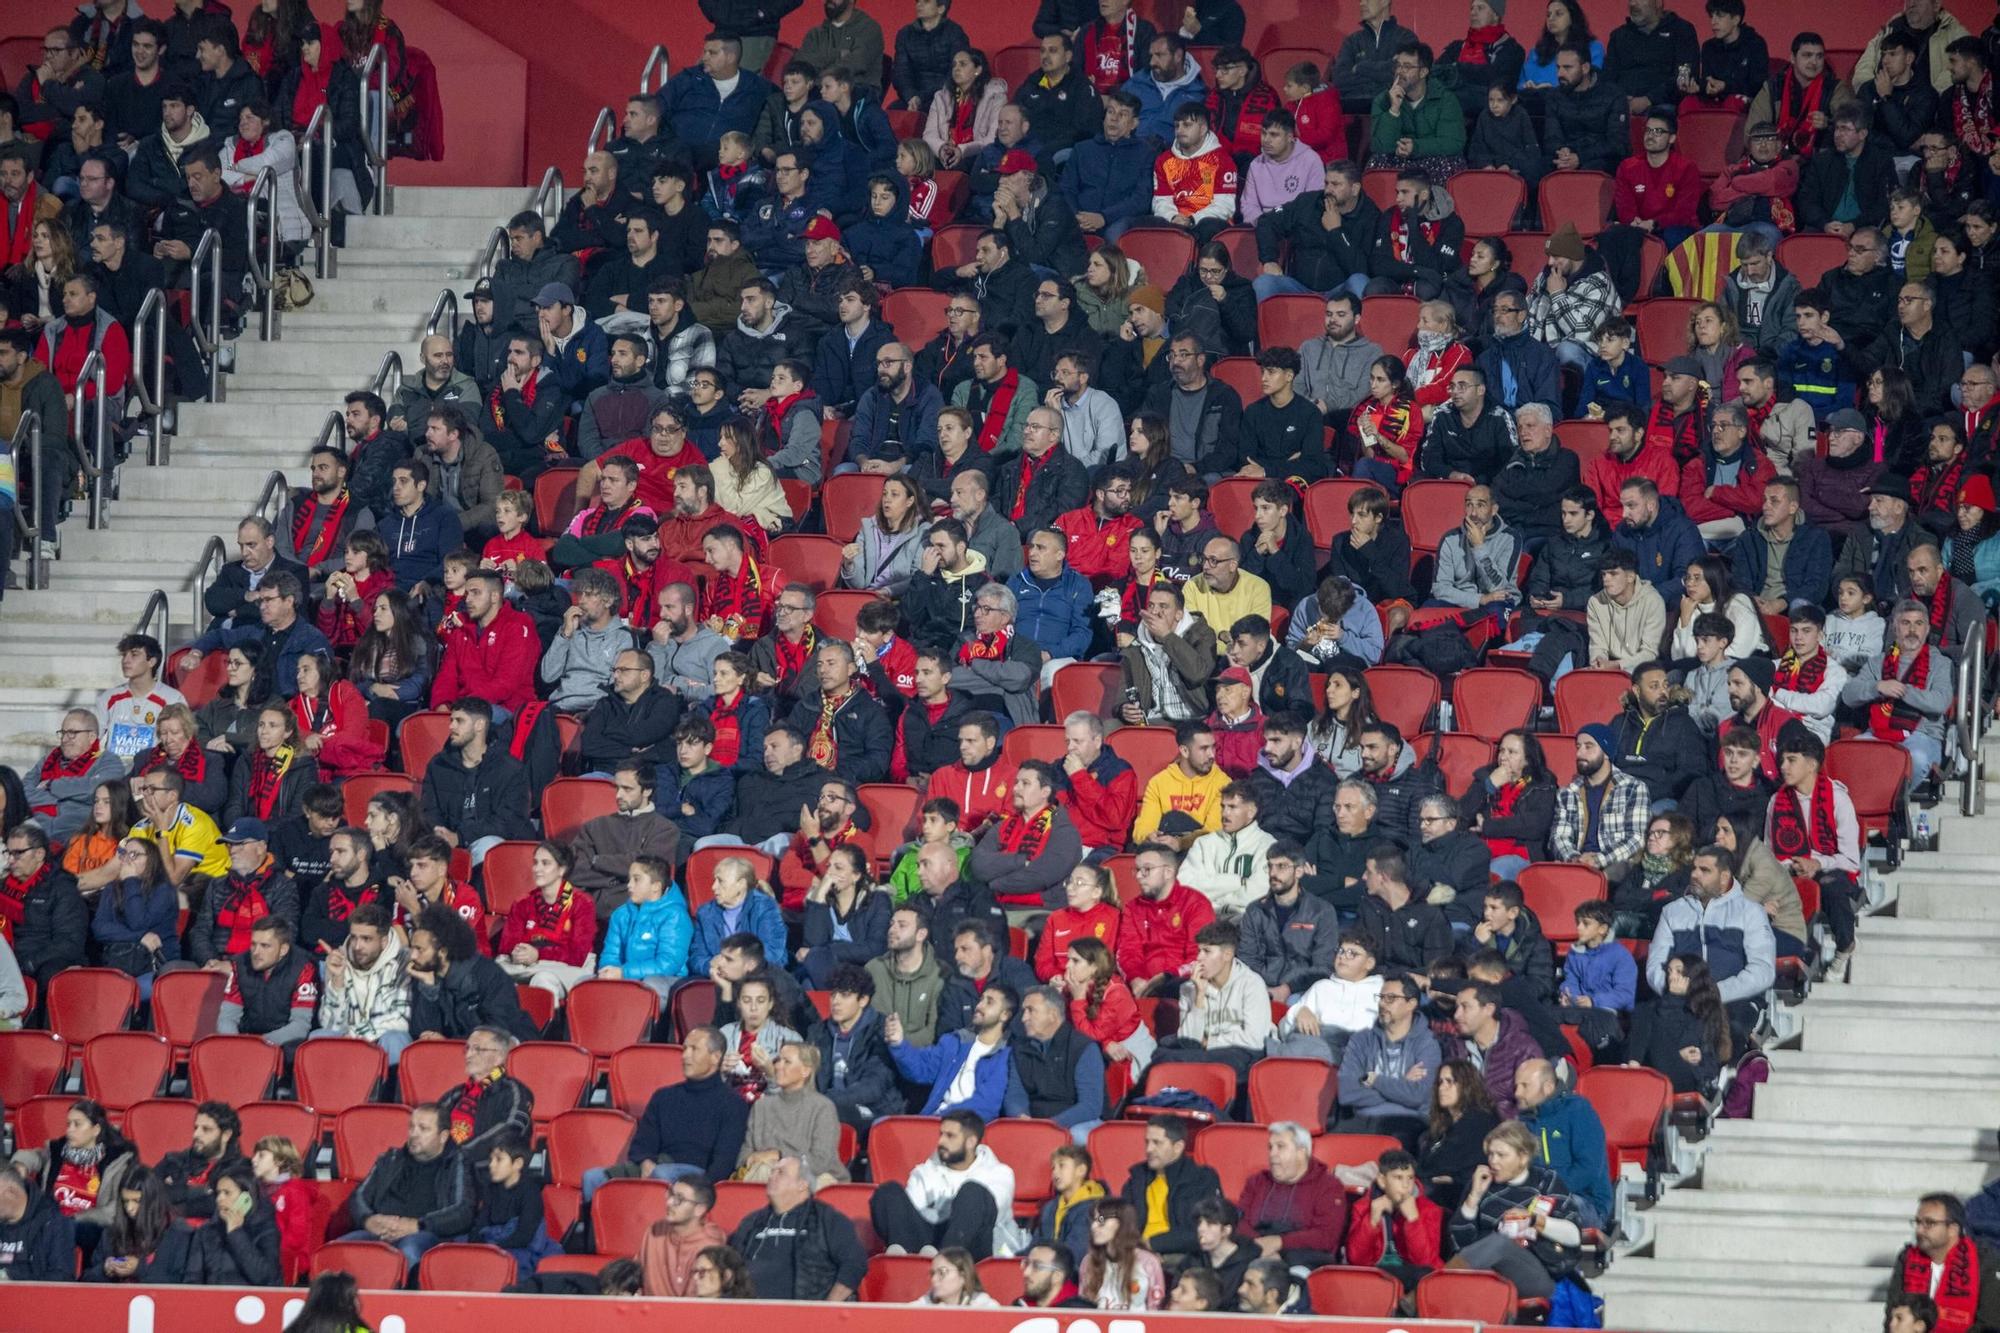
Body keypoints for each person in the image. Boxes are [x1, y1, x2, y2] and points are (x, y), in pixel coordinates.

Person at [1448, 1119, 1586, 1300]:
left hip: (1538, 1272)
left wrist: (1533, 1219)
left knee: (1500, 1243)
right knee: (1491, 1257)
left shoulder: (1546, 1181)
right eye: (1490, 1154)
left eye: (1501, 1155)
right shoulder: (1481, 1184)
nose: (1493, 1161)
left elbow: (1574, 1236)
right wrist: (1473, 1197)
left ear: (1523, 1157)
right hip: (1488, 1274)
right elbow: (1459, 1245)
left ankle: (1435, 1287)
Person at [871, 1110, 1026, 1260]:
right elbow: (911, 1215)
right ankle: (904, 1261)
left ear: (971, 1142)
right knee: (888, 1192)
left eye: (950, 1136)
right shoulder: (926, 1170)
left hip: (974, 1248)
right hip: (928, 1245)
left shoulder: (999, 1173)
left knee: (972, 1193)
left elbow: (989, 1217)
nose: (941, 1142)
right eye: (941, 1134)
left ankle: (945, 1261)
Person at [338, 1102, 473, 1269]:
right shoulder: (391, 1159)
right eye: (411, 1127)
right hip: (380, 1231)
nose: (414, 1134)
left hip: (426, 1233)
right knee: (340, 1248)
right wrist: (367, 1219)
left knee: (409, 1250)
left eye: (423, 1129)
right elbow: (359, 1196)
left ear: (443, 1136)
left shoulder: (457, 1162)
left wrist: (418, 1225)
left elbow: (463, 1210)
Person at [729, 1154, 869, 1300]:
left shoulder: (827, 1218)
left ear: (802, 1184)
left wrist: (828, 1307)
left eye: (781, 1172)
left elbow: (855, 1263)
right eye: (772, 1172)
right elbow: (729, 1264)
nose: (771, 1177)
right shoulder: (752, 1221)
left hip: (806, 1314)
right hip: (750, 1311)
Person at [1844, 598, 1954, 780]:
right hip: (1878, 734)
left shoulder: (1941, 663)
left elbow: (1940, 702)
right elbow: (1849, 695)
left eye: (1918, 624)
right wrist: (1877, 687)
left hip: (1922, 736)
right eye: (1905, 623)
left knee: (1914, 760)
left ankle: (1891, 805)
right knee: (1848, 757)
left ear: (1926, 629)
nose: (1912, 630)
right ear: (1895, 628)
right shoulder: (1878, 662)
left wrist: (1905, 691)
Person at [406, 904, 538, 1043]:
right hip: (454, 1054)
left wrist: (448, 1043)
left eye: (419, 949)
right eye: (412, 948)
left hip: (506, 1054)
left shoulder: (489, 975)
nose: (412, 956)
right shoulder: (425, 975)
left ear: (443, 951)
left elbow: (497, 1031)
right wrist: (429, 989)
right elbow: (422, 1034)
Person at [1892, 1194, 2000, 1331]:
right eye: (1917, 1222)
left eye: (1929, 1223)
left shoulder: (1985, 1261)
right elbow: (1893, 1315)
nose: (1919, 1230)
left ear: (1953, 1229)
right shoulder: (1906, 1258)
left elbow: (1989, 1325)